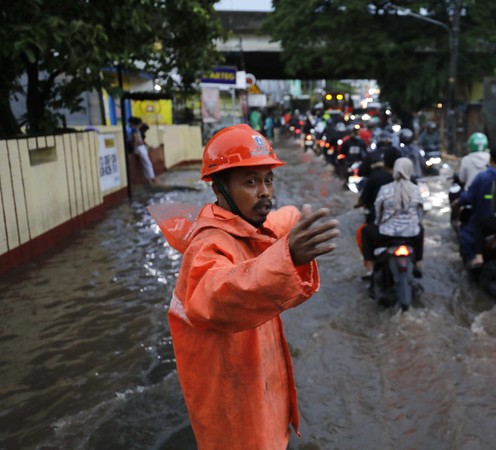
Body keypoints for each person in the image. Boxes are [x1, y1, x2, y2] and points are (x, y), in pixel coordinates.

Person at [163, 124, 339, 449]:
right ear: (219, 190)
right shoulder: (209, 246)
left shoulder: (247, 225)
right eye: (250, 181)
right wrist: (289, 256)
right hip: (235, 420)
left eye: (268, 180)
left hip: (260, 401)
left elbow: (278, 219)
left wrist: (298, 217)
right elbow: (218, 294)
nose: (265, 192)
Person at [361, 157, 424, 279]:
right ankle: (418, 263)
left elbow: (378, 212)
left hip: (387, 234)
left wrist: (378, 223)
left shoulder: (385, 189)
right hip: (412, 235)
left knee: (365, 232)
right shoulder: (416, 190)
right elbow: (420, 213)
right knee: (421, 229)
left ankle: (370, 268)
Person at [457, 144, 496, 264]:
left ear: (490, 159)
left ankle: (473, 259)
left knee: (465, 237)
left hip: (486, 219)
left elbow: (469, 197)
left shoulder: (483, 177)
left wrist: (460, 199)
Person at [127, 116, 156, 184]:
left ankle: (150, 178)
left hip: (138, 147)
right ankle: (151, 178)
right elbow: (136, 140)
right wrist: (134, 149)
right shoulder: (135, 130)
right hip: (139, 147)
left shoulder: (132, 129)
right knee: (147, 162)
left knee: (146, 162)